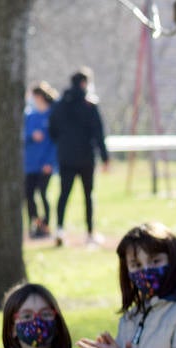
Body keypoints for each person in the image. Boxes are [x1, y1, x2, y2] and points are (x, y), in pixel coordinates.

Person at [48, 68, 109, 248]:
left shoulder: (59, 104)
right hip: (85, 157)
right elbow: (98, 132)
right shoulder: (89, 104)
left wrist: (63, 143)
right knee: (88, 195)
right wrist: (105, 157)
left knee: (63, 194)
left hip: (65, 156)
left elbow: (52, 130)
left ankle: (59, 229)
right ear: (84, 83)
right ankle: (90, 232)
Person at [24, 83, 58, 239]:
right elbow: (22, 136)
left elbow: (55, 142)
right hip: (30, 164)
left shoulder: (52, 115)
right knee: (29, 194)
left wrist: (50, 162)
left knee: (43, 193)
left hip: (45, 164)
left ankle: (46, 224)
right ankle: (35, 222)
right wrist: (31, 136)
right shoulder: (30, 116)